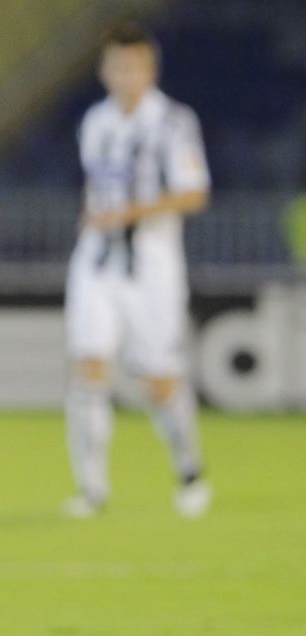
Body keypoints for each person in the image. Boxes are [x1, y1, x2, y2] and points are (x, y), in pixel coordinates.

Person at [63, 23, 212, 518]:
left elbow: (194, 192)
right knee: (89, 368)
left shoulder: (172, 122)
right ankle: (92, 491)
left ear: (149, 70)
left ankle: (190, 469)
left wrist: (131, 213)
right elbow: (97, 188)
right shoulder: (96, 122)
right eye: (117, 66)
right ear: (106, 70)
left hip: (152, 265)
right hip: (96, 260)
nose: (125, 76)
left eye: (135, 67)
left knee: (160, 379)